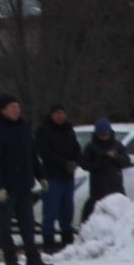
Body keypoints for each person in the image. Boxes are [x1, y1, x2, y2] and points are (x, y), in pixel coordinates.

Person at [0, 93, 52, 265]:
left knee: (27, 224)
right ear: (4, 109)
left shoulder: (23, 128)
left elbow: (32, 155)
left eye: (18, 107)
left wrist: (40, 176)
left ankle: (33, 259)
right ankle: (10, 259)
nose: (16, 110)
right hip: (7, 187)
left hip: (24, 184)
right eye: (13, 107)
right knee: (5, 225)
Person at [35, 104, 81, 247]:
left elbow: (76, 148)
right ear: (51, 115)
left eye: (62, 113)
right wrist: (64, 163)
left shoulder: (68, 129)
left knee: (67, 210)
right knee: (50, 211)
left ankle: (67, 241)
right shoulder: (43, 130)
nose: (60, 116)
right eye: (57, 113)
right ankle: (48, 242)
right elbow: (45, 153)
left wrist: (76, 161)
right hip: (52, 176)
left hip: (68, 177)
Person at [78, 117, 131, 226]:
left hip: (116, 187)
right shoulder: (91, 147)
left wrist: (114, 157)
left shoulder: (117, 145)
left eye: (106, 134)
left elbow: (126, 161)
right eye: (101, 135)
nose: (104, 137)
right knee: (95, 214)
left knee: (120, 213)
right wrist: (100, 162)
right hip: (98, 188)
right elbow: (84, 164)